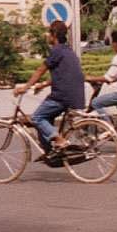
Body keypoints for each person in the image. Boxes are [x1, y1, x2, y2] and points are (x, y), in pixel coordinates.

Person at [20, 20, 85, 153]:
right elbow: (61, 74)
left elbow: (40, 70)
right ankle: (49, 152)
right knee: (46, 119)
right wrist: (43, 84)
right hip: (75, 94)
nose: (47, 36)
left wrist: (25, 87)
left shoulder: (57, 50)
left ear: (54, 34)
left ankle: (59, 140)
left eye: (49, 33)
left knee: (36, 118)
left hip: (62, 95)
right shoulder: (67, 50)